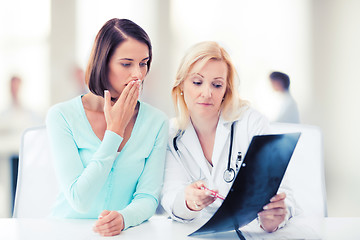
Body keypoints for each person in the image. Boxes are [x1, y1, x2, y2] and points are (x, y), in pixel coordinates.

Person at [46, 18, 168, 236]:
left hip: (125, 233)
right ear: (103, 63)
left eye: (143, 63)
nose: (138, 75)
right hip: (66, 232)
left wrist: (124, 218)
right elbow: (79, 200)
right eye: (126, 64)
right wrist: (114, 132)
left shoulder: (156, 122)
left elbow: (148, 197)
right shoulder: (61, 116)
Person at [160, 41, 296, 233]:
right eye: (197, 82)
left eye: (217, 85)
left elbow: (283, 193)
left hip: (251, 231)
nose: (207, 93)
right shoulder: (171, 134)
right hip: (196, 231)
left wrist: (275, 217)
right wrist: (188, 201)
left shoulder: (252, 123)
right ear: (181, 84)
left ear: (226, 90)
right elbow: (170, 196)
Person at [0, 75, 43, 212]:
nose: (15, 90)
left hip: (26, 156)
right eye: (13, 86)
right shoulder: (5, 113)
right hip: (9, 156)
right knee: (10, 192)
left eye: (17, 86)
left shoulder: (29, 112)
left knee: (24, 191)